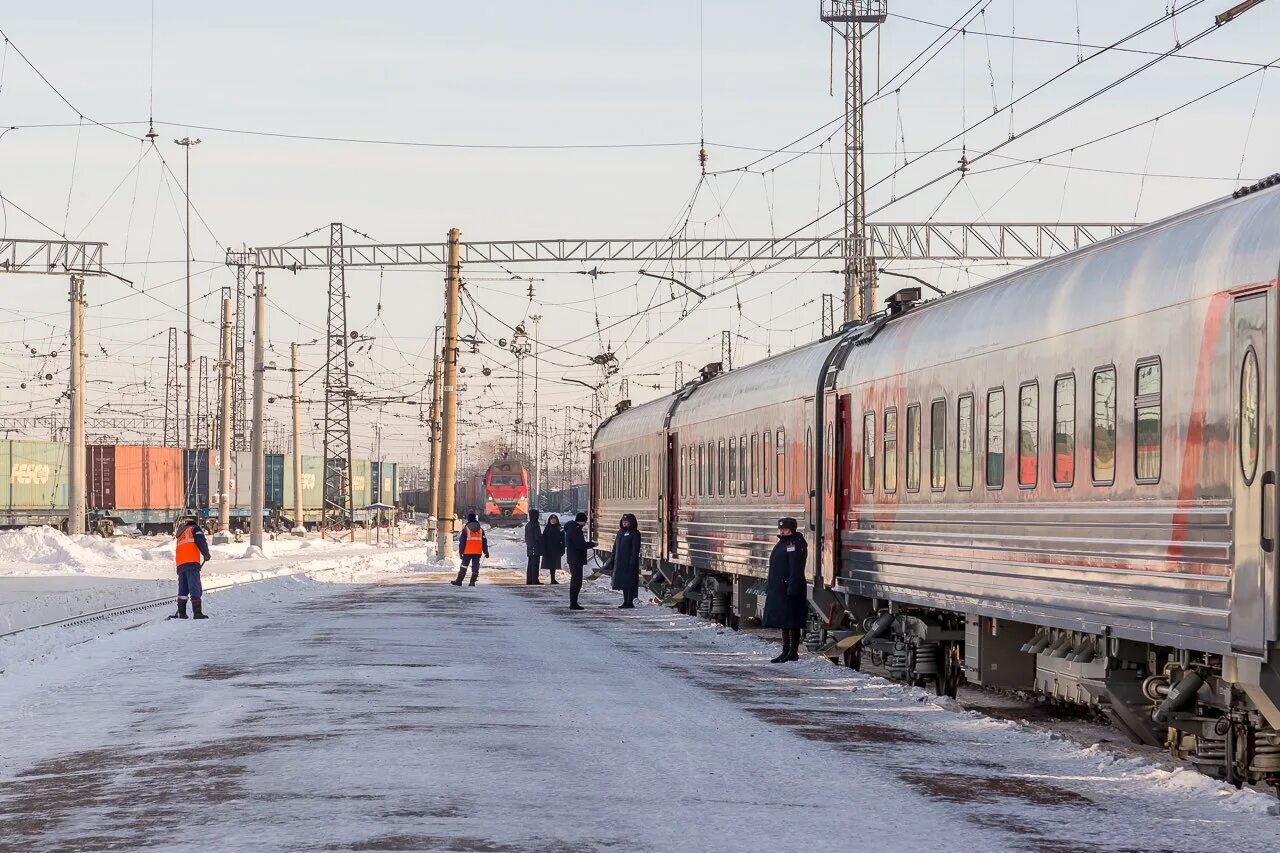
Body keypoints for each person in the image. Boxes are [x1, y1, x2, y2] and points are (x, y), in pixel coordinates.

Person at [762, 517, 808, 663]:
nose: (782, 531)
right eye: (780, 529)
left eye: (785, 529)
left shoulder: (795, 544)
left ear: (792, 530)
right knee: (784, 621)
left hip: (790, 588)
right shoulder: (783, 543)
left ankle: (792, 652)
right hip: (780, 588)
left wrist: (793, 587)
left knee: (792, 621)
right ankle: (785, 651)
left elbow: (796, 568)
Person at [170, 516, 212, 620]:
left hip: (181, 564)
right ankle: (197, 613)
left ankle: (182, 613)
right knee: (194, 587)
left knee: (183, 589)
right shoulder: (194, 529)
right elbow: (201, 541)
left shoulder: (181, 534)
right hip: (191, 562)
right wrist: (206, 554)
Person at [563, 512, 596, 610]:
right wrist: (592, 544)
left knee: (575, 581)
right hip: (576, 559)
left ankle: (574, 602)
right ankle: (573, 603)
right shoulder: (575, 530)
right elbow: (580, 545)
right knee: (576, 582)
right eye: (585, 522)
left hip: (573, 558)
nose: (585, 524)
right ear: (582, 521)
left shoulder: (571, 529)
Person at [608, 513, 642, 609]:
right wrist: (612, 558)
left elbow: (635, 549)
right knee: (623, 582)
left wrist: (632, 562)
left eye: (626, 522)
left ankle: (629, 601)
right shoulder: (620, 532)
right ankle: (625, 601)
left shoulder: (635, 533)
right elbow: (615, 547)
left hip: (629, 562)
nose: (624, 524)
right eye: (623, 522)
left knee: (629, 582)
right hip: (620, 562)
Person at [452, 512, 489, 587]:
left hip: (467, 551)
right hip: (477, 552)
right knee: (475, 566)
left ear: (468, 519)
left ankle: (459, 581)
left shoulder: (466, 529)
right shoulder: (481, 530)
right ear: (475, 519)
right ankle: (472, 582)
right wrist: (486, 552)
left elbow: (462, 542)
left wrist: (460, 552)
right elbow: (484, 542)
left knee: (464, 566)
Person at [541, 513, 565, 585]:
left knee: (554, 565)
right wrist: (543, 549)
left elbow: (563, 540)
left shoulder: (560, 529)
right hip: (548, 549)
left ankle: (553, 579)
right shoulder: (547, 528)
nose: (553, 521)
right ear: (549, 520)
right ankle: (552, 579)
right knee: (550, 565)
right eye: (552, 520)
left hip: (556, 549)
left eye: (554, 520)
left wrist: (562, 550)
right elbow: (544, 539)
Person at [524, 509, 544, 584]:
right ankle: (535, 580)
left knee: (530, 564)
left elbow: (526, 537)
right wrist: (543, 539)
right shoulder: (535, 524)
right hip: (535, 547)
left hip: (529, 547)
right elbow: (538, 536)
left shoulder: (528, 525)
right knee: (535, 564)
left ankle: (529, 580)